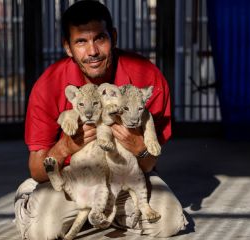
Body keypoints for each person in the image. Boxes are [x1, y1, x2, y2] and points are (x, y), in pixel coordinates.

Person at [14, 1, 188, 239]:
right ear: (67, 47)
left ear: (113, 37)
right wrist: (66, 146)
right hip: (77, 178)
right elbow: (37, 169)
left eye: (100, 38)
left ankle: (106, 211)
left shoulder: (146, 77)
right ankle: (31, 199)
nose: (93, 51)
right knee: (42, 231)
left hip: (125, 174)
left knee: (168, 222)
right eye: (81, 42)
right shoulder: (49, 85)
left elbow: (148, 165)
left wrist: (139, 147)